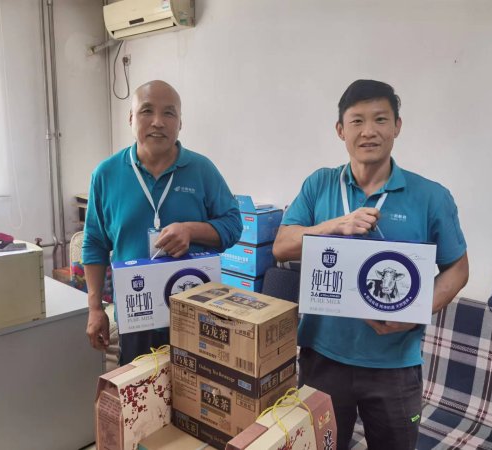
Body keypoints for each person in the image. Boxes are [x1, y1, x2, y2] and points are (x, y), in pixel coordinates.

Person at [272, 79, 469, 450]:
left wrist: (414, 312)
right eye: (357, 121)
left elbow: (458, 269)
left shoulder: (431, 196)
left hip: (395, 365)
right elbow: (282, 246)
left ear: (397, 126)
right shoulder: (320, 184)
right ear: (340, 130)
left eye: (380, 119)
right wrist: (334, 226)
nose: (369, 131)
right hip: (322, 358)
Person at [82, 80, 242, 365]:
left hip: (194, 314)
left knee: (198, 393)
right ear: (131, 118)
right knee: (140, 391)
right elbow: (94, 244)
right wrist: (95, 308)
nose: (158, 121)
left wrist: (191, 230)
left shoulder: (202, 170)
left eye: (169, 113)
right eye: (147, 111)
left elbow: (233, 225)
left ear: (180, 123)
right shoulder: (106, 175)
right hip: (136, 315)